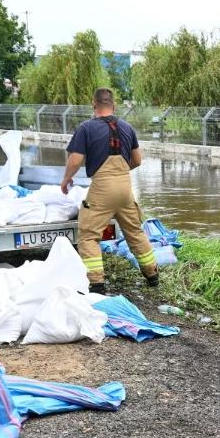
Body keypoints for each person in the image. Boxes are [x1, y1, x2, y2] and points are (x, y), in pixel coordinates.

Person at [60, 87, 160, 293]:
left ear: (94, 105)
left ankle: (96, 283)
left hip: (102, 188)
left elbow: (76, 159)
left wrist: (66, 179)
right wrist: (121, 172)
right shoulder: (127, 127)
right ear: (113, 106)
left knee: (88, 235)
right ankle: (152, 275)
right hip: (125, 187)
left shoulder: (86, 128)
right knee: (134, 231)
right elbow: (138, 160)